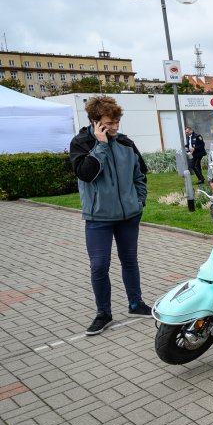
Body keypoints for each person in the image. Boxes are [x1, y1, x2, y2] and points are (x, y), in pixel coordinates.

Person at [69, 95, 152, 336]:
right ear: (95, 121)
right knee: (99, 265)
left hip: (129, 215)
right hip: (98, 218)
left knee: (130, 260)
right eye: (109, 122)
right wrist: (101, 144)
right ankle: (103, 313)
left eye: (117, 122)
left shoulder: (126, 143)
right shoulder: (81, 143)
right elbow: (86, 173)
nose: (115, 127)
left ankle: (136, 303)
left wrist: (138, 201)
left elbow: (140, 175)